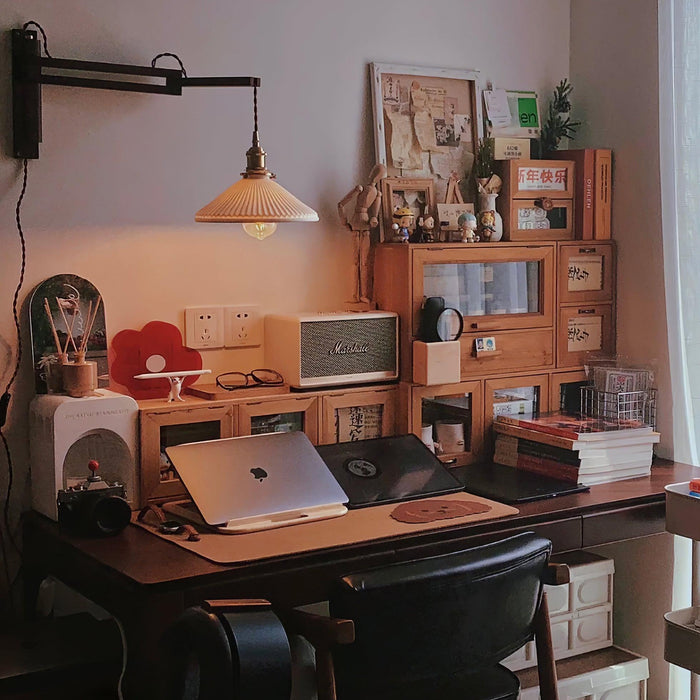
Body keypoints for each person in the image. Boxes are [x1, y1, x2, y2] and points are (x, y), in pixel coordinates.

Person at [337, 164, 386, 303]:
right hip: (357, 224)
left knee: (363, 263)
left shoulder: (377, 194)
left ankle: (363, 295)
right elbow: (341, 204)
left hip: (364, 226)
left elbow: (374, 215)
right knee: (355, 263)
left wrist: (373, 219)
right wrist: (344, 221)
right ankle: (354, 295)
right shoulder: (361, 189)